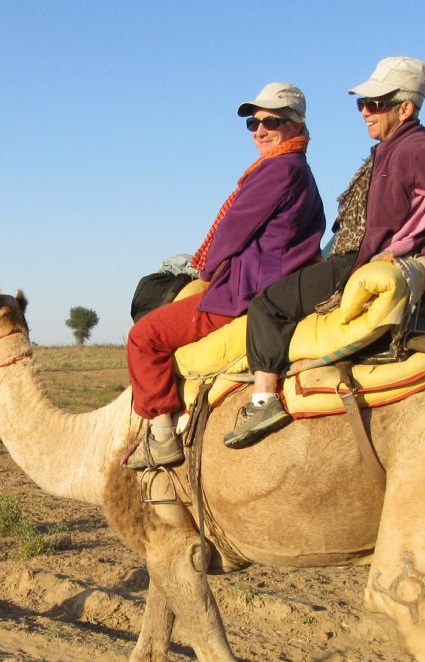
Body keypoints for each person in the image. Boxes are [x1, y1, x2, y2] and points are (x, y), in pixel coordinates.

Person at [223, 57, 425, 449]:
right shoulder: (390, 148)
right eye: (362, 103)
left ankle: (263, 400)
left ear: (406, 108)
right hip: (355, 256)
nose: (365, 110)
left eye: (376, 103)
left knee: (267, 305)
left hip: (359, 263)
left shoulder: (416, 150)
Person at [125, 82, 326, 469]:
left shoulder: (277, 170)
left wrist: (208, 270)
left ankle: (162, 436)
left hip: (244, 291)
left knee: (144, 336)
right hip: (275, 281)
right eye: (254, 122)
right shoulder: (299, 169)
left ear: (295, 124)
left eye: (272, 121)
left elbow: (230, 234)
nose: (260, 130)